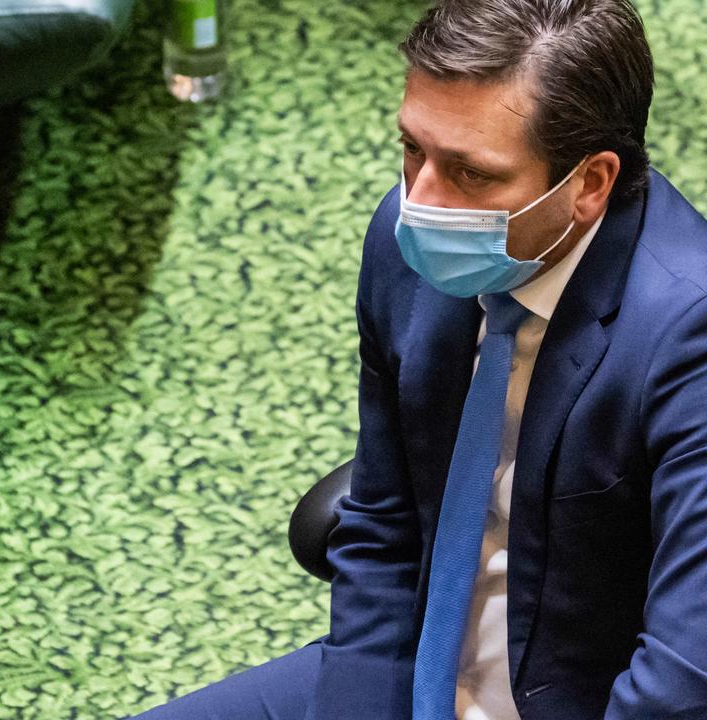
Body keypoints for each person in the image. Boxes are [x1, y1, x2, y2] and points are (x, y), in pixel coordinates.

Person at [130, 0, 707, 718]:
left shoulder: (689, 338)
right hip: (411, 675)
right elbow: (381, 524)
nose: (420, 201)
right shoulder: (408, 247)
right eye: (413, 150)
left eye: (470, 174)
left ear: (589, 185)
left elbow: (682, 684)